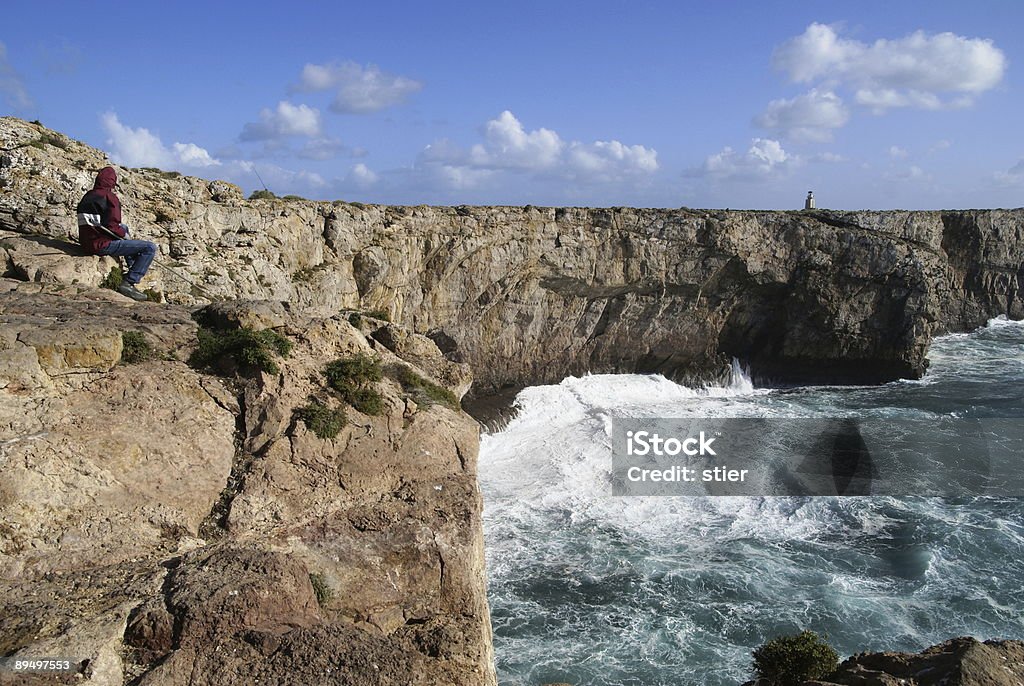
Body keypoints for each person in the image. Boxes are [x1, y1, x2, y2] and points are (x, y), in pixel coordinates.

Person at [77, 166, 157, 301]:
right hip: (100, 245)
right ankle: (129, 282)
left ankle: (132, 265)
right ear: (112, 182)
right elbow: (113, 227)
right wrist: (124, 237)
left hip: (86, 242)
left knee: (124, 227)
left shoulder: (88, 196)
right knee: (149, 248)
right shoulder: (109, 197)